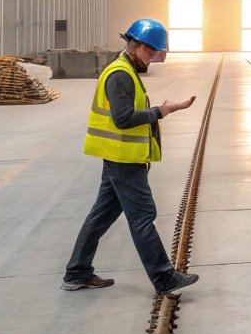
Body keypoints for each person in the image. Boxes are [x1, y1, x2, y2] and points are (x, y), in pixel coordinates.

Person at [62, 18, 200, 296]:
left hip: (122, 156)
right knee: (142, 216)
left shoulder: (126, 70)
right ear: (135, 45)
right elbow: (123, 119)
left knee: (101, 216)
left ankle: (77, 272)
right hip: (124, 159)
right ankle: (164, 277)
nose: (150, 60)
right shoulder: (120, 75)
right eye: (149, 53)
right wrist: (162, 111)